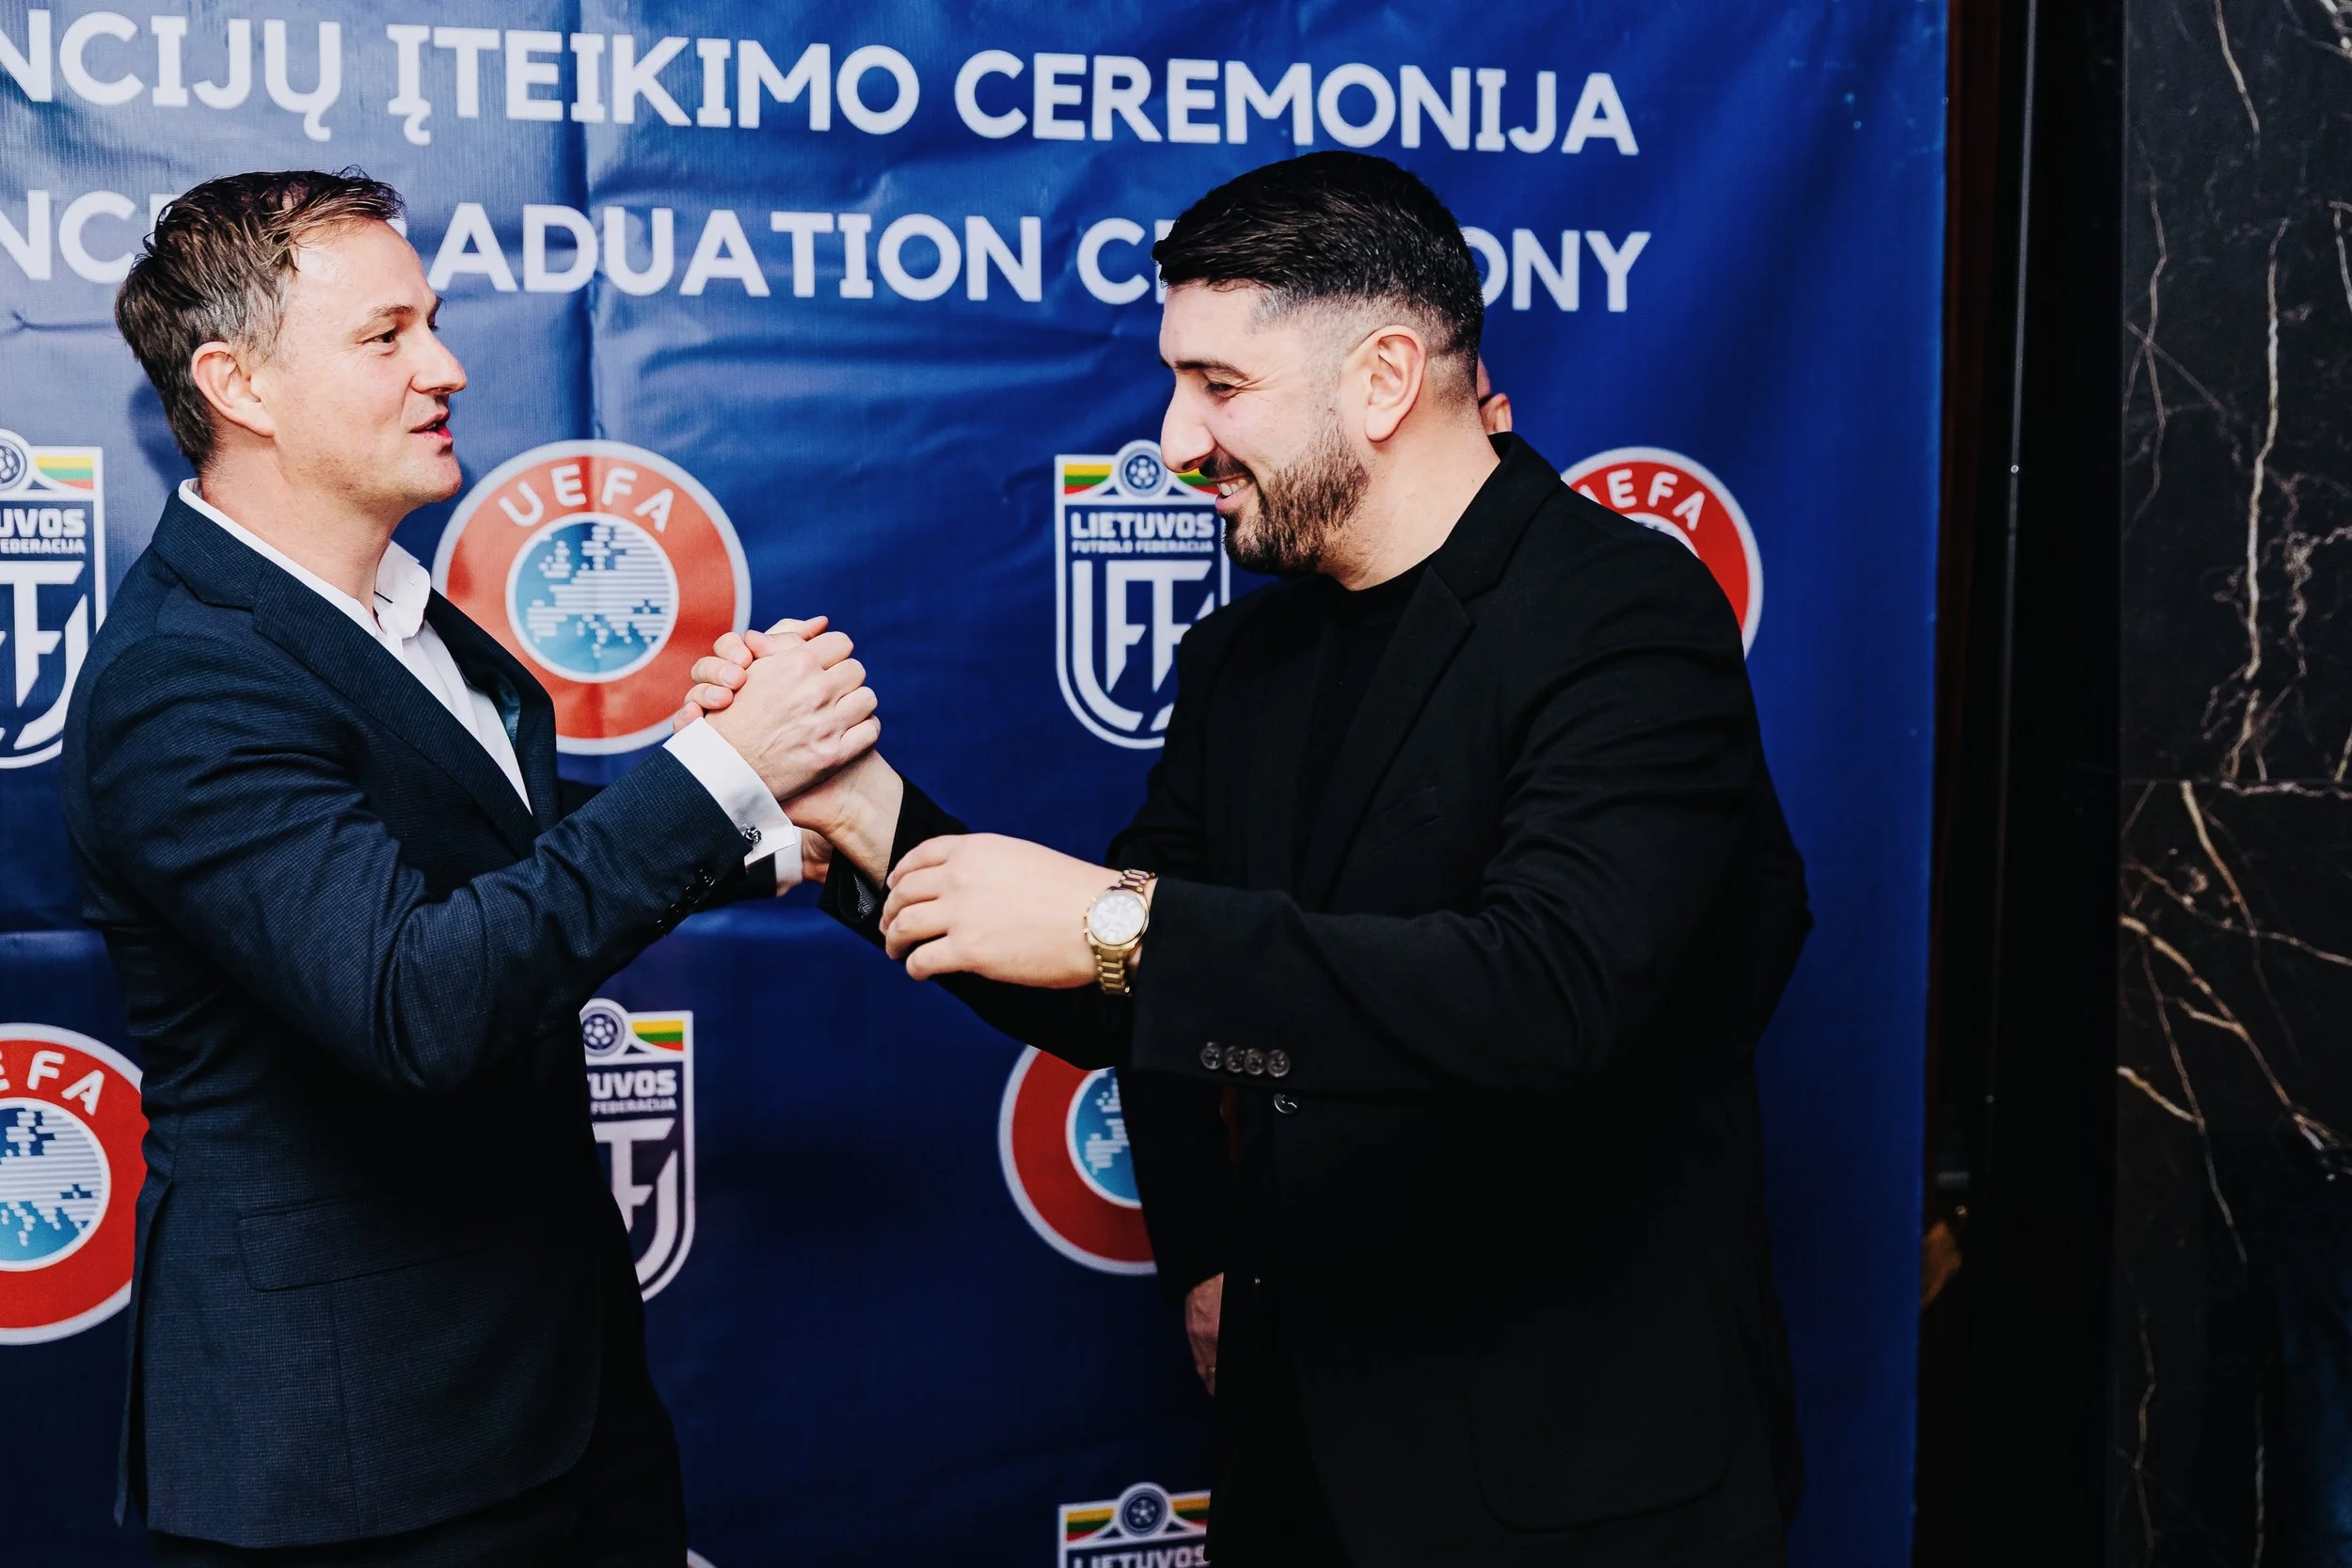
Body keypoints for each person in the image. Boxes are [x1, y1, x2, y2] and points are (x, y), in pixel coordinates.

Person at [694, 151, 1812, 1566]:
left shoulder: (1624, 613)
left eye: (1220, 385)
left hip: (1568, 1485)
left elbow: (1554, 991)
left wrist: (1124, 926)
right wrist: (860, 809)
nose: (1173, 437)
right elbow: (1112, 979)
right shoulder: (1247, 652)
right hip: (1304, 1463)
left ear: (1385, 378)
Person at [61, 170, 875, 1565]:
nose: (445, 366)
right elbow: (411, 997)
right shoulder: (184, 680)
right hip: (357, 1461)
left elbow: (478, 855)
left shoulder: (392, 608)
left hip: (560, 1395)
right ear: (237, 382)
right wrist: (720, 767)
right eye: (386, 336)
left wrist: (755, 830)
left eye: (431, 322)